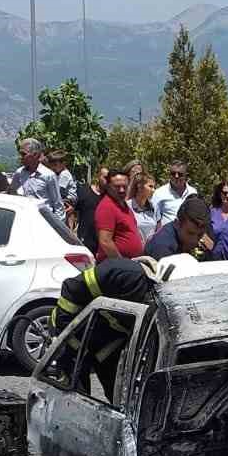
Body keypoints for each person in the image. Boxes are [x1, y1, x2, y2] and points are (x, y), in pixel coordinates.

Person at [48, 256, 161, 397]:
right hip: (71, 332)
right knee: (73, 394)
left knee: (117, 395)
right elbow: (72, 288)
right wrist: (63, 334)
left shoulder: (153, 295)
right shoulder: (122, 272)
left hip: (105, 340)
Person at [144, 193, 214, 260]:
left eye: (200, 235)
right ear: (177, 224)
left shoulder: (184, 239)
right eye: (190, 233)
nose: (195, 241)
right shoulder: (162, 248)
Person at [94, 168, 144, 261]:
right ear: (108, 186)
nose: (121, 190)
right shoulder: (107, 207)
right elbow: (105, 241)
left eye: (124, 186)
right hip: (116, 268)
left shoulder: (123, 205)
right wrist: (122, 263)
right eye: (117, 186)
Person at [10, 137, 63, 217]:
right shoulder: (19, 173)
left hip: (44, 219)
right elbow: (11, 192)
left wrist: (57, 226)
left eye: (23, 154)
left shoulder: (48, 175)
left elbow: (57, 204)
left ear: (35, 155)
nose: (20, 157)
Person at [150, 161, 195, 229]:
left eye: (180, 174)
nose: (176, 176)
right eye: (173, 173)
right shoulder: (159, 193)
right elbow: (153, 218)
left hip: (189, 235)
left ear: (186, 175)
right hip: (168, 235)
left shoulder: (193, 192)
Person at [76, 165, 108, 254]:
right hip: (84, 241)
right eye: (105, 177)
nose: (107, 180)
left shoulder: (110, 197)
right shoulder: (84, 191)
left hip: (102, 244)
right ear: (98, 176)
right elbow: (74, 212)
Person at [130, 173, 159, 242]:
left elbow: (158, 230)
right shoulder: (128, 207)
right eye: (150, 186)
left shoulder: (154, 207)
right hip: (135, 249)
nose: (153, 190)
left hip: (151, 249)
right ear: (139, 186)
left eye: (154, 187)